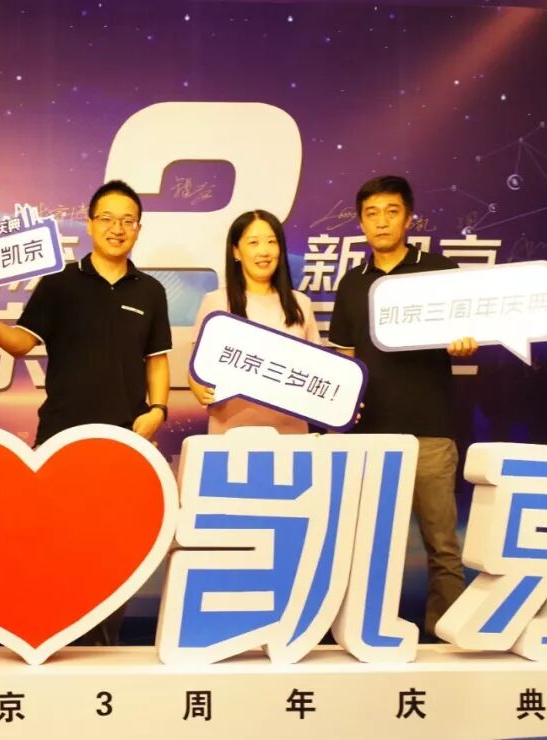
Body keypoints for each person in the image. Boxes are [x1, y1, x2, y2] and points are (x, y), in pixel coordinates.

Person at [0, 179, 172, 645]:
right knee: (54, 550)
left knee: (113, 556)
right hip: (61, 439)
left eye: (127, 220)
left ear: (138, 228)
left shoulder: (151, 291)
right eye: (107, 218)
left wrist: (158, 409)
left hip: (124, 442)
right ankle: (52, 643)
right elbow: (20, 344)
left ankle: (103, 649)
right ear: (89, 224)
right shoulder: (59, 285)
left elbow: (157, 360)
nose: (117, 228)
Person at [327, 175, 477, 639]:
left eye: (391, 212)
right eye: (371, 214)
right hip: (370, 436)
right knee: (369, 546)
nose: (381, 222)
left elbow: (468, 332)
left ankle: (448, 639)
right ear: (360, 222)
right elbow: (344, 358)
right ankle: (368, 632)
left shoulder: (439, 271)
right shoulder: (352, 283)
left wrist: (465, 342)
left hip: (429, 429)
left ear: (409, 218)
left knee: (442, 546)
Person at [188, 210, 321, 434]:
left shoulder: (301, 303)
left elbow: (319, 370)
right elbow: (196, 369)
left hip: (292, 435)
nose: (264, 251)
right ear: (236, 251)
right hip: (231, 432)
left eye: (271, 241)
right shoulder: (216, 302)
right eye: (253, 242)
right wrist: (199, 388)